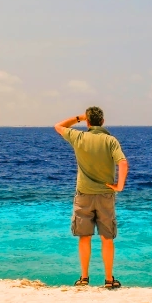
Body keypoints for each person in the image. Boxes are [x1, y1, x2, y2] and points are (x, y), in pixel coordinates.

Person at [54, 106, 128, 288]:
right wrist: (119, 186)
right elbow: (123, 162)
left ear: (88, 122)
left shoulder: (78, 137)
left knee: (84, 237)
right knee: (107, 238)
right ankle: (109, 279)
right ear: (102, 121)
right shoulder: (110, 140)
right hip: (105, 196)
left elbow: (58, 126)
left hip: (84, 195)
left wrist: (79, 117)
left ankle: (84, 278)